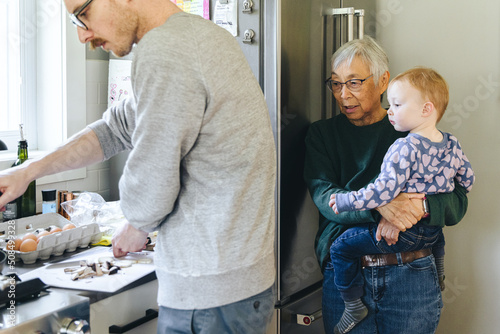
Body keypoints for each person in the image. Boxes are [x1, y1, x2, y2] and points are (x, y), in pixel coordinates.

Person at [0, 1, 276, 333]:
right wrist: (27, 171)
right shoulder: (203, 37)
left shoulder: (166, 49)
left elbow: (151, 188)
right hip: (236, 285)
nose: (81, 35)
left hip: (208, 294)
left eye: (83, 13)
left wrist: (136, 223)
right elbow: (114, 129)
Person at [304, 36, 469, 334]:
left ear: (383, 81)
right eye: (336, 83)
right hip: (347, 277)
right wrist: (381, 206)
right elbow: (324, 196)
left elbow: (458, 200)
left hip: (411, 274)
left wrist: (422, 206)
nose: (343, 95)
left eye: (354, 82)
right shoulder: (321, 134)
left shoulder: (413, 132)